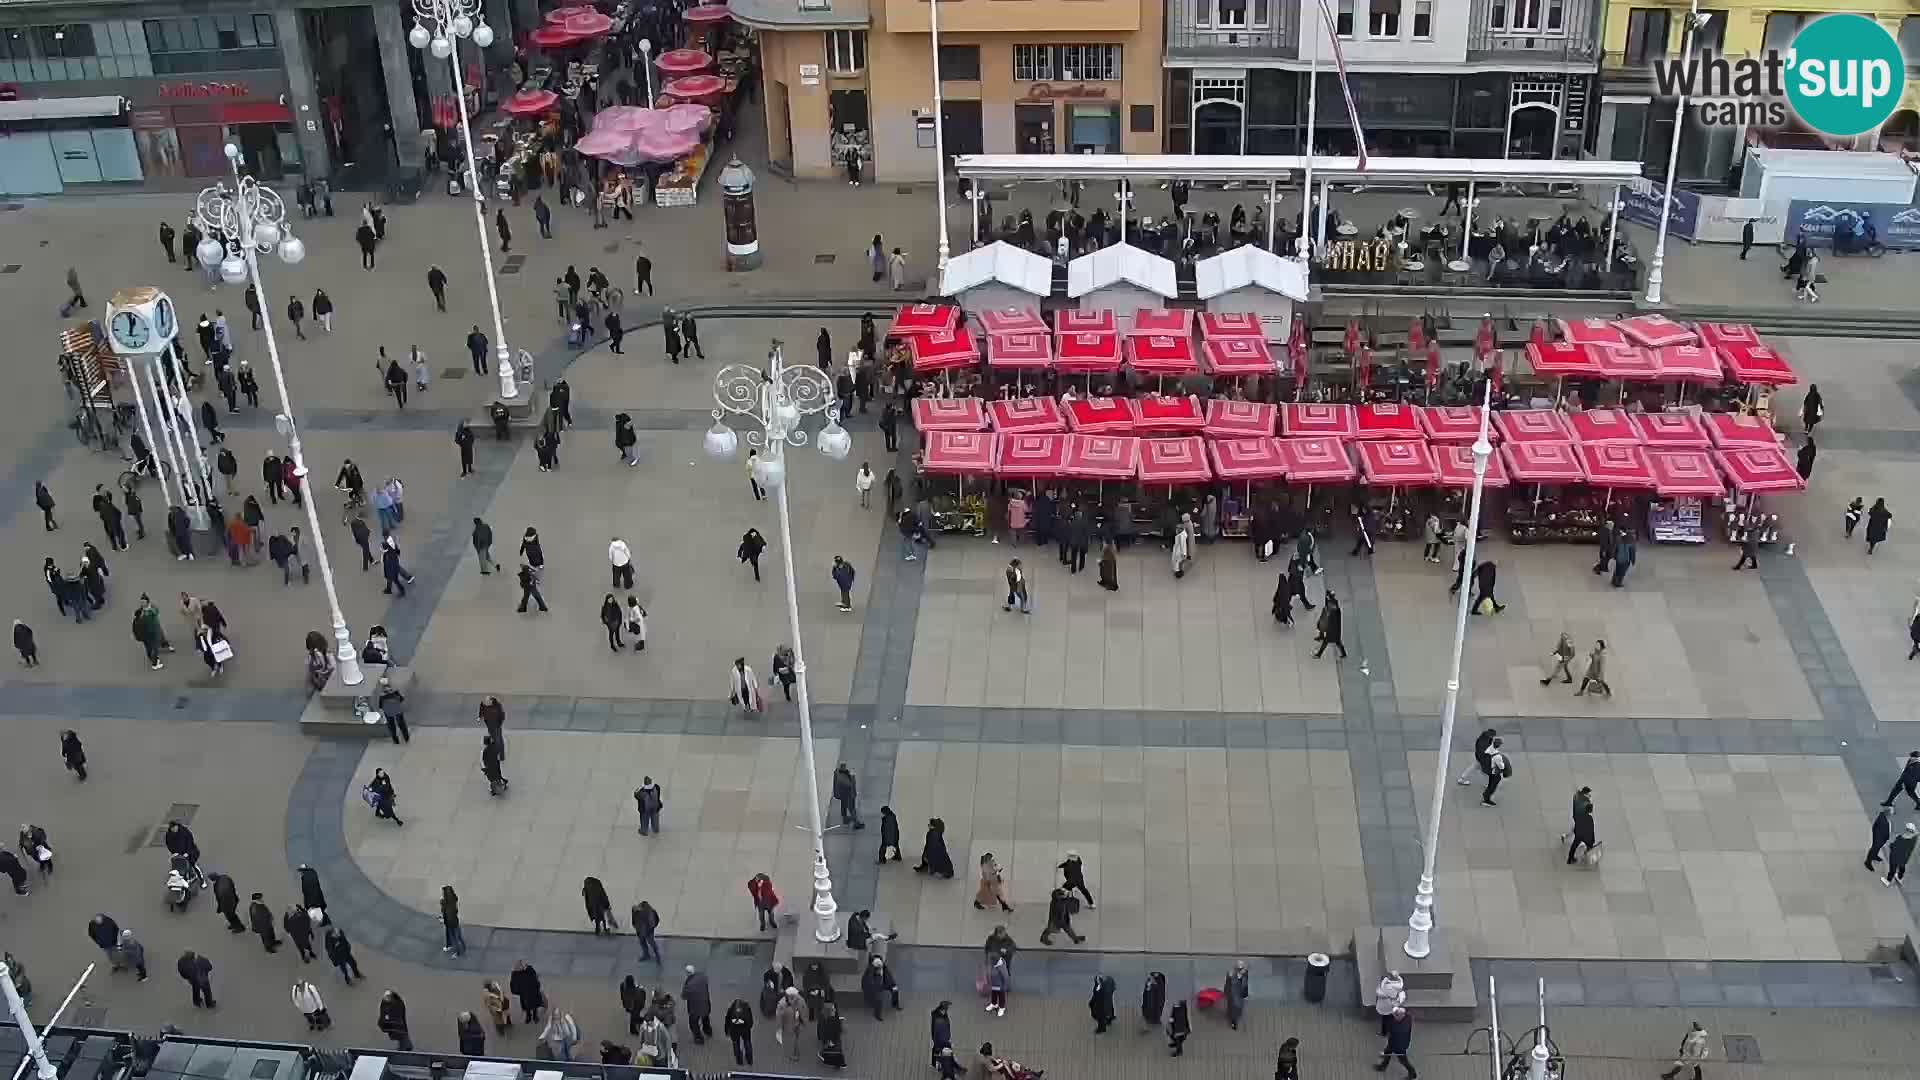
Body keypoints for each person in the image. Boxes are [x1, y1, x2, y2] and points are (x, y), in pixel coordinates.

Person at [1376, 1006, 1415, 1077]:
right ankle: (1383, 1066)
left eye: (1395, 1015)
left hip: (1398, 1046)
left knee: (1403, 1060)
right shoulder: (1407, 1018)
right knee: (1387, 1052)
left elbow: (1390, 1030)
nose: (1394, 1016)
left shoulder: (1396, 1026)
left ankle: (1412, 1073)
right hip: (1396, 1042)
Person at [1313, 591, 1345, 659]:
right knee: (1337, 642)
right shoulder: (1333, 606)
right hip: (1335, 631)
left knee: (1326, 642)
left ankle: (1318, 655)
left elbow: (1330, 621)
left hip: (1332, 630)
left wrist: (1326, 627)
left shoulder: (1332, 610)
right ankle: (1344, 654)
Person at [1481, 738, 1510, 807]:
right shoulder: (1497, 756)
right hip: (1494, 772)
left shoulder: (1489, 748)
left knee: (1490, 782)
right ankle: (1486, 799)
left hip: (1489, 770)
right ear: (1499, 745)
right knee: (1493, 786)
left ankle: (1486, 794)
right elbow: (1501, 767)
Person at [833, 763, 863, 828]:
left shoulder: (839, 773)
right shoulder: (842, 777)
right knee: (852, 809)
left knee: (844, 806)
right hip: (848, 795)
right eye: (844, 767)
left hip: (844, 794)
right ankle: (856, 823)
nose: (845, 768)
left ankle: (845, 819)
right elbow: (848, 784)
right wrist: (852, 777)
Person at [1868, 806, 1895, 871]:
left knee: (1877, 848)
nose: (1892, 814)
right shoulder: (1882, 820)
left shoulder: (1885, 817)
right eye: (1891, 813)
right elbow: (1876, 828)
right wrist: (1878, 839)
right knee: (1874, 849)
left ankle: (1874, 856)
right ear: (1887, 813)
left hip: (1882, 839)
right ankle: (1868, 862)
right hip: (1879, 838)